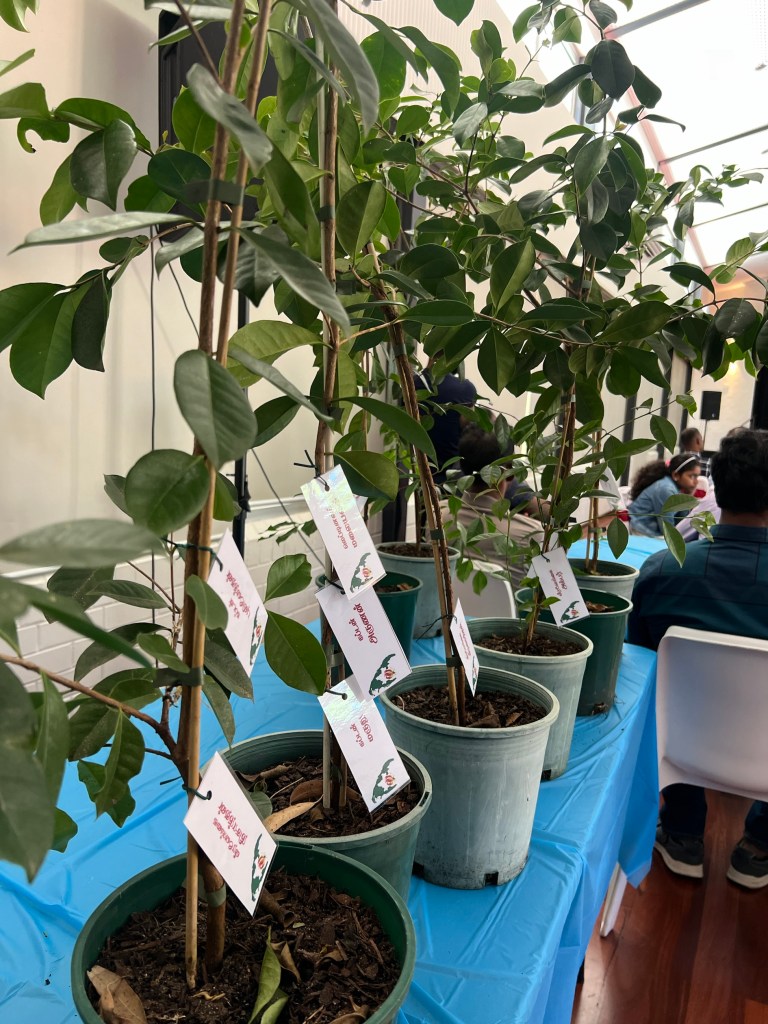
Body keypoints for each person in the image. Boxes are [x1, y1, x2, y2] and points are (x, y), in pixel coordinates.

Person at [628, 428, 768, 889]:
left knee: (668, 697)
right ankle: (758, 847)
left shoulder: (661, 572)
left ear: (715, 490)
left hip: (680, 748)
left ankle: (683, 833)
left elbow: (637, 668)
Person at [443, 425, 544, 589]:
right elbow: (558, 595)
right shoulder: (533, 534)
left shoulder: (438, 518)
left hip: (450, 605)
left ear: (462, 467)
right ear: (510, 473)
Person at [415, 359, 477, 485]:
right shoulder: (465, 388)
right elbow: (469, 427)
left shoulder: (410, 385)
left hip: (419, 472)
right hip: (453, 474)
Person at [628, 452, 701, 537]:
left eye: (697, 477)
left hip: (651, 531)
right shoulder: (666, 490)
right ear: (676, 475)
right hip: (640, 530)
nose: (696, 482)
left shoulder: (676, 489)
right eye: (692, 476)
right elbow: (667, 531)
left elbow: (682, 523)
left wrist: (689, 496)